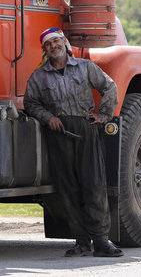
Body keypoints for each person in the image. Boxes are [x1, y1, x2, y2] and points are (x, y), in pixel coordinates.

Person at [24, 27, 123, 257]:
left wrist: (103, 115)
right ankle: (81, 241)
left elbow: (109, 87)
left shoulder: (85, 67)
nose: (53, 46)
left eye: (56, 41)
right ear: (44, 50)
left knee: (94, 184)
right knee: (67, 188)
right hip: (59, 133)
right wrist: (49, 118)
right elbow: (31, 103)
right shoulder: (39, 77)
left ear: (64, 43)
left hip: (85, 128)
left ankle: (101, 241)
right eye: (48, 44)